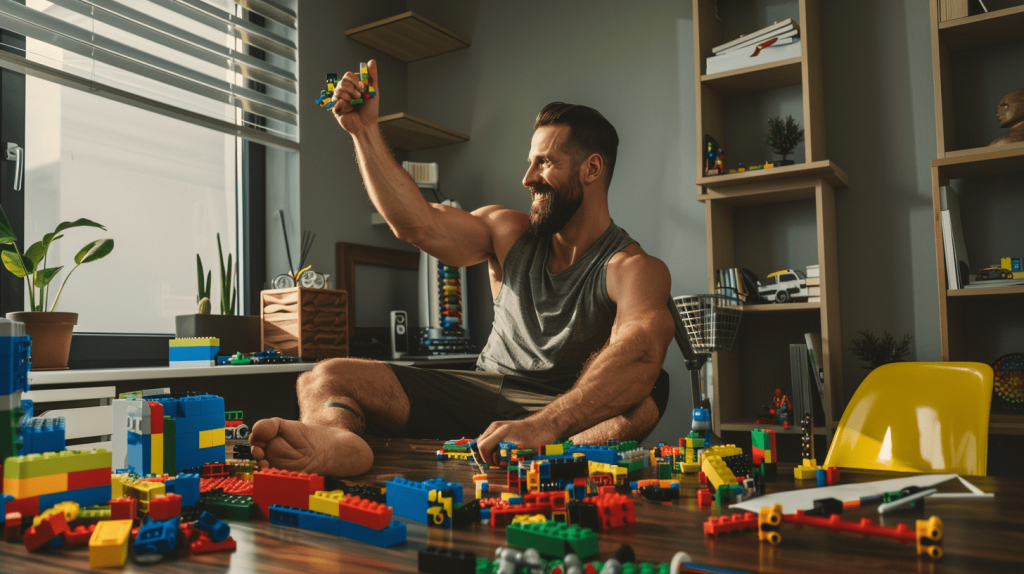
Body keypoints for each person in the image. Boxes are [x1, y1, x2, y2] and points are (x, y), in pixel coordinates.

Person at [249, 60, 675, 477]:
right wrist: (363, 131)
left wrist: (542, 427)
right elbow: (415, 222)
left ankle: (550, 459)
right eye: (529, 162)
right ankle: (339, 445)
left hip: (561, 412)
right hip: (479, 392)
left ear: (592, 169)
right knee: (326, 376)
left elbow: (639, 349)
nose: (527, 178)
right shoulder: (507, 232)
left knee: (649, 393)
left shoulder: (632, 267)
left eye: (543, 162)